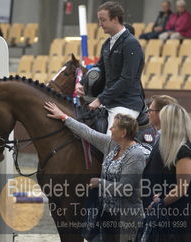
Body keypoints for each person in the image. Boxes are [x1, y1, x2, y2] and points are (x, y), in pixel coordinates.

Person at [44, 101, 148, 242]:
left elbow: (126, 188)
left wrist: (100, 182)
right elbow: (87, 132)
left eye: (114, 127)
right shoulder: (111, 144)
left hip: (126, 217)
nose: (110, 128)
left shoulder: (135, 155)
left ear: (123, 132)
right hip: (107, 214)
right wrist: (64, 117)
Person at [75, 1, 145, 135]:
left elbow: (127, 79)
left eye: (103, 20)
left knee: (112, 140)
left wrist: (101, 99)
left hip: (125, 103)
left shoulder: (131, 44)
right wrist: (82, 82)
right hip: (109, 100)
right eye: (99, 20)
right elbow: (99, 66)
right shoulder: (107, 43)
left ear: (115, 19)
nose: (100, 24)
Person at [144, 104, 191, 241]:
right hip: (172, 214)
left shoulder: (184, 151)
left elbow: (181, 188)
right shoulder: (175, 149)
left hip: (182, 218)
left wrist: (160, 203)